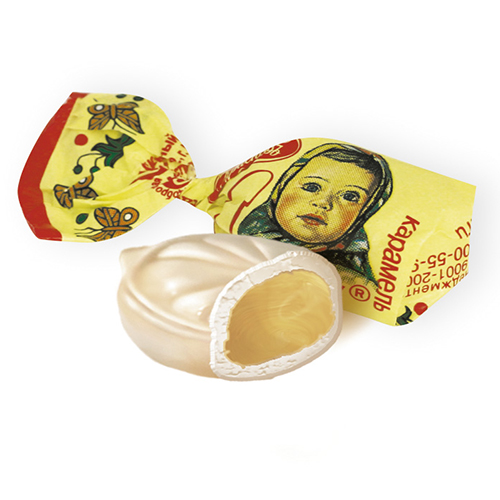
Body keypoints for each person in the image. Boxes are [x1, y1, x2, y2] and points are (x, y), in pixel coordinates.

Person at [238, 143, 393, 284]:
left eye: (349, 197)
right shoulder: (241, 238)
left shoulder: (353, 281)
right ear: (281, 188)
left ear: (364, 213)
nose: (324, 203)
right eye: (312, 187)